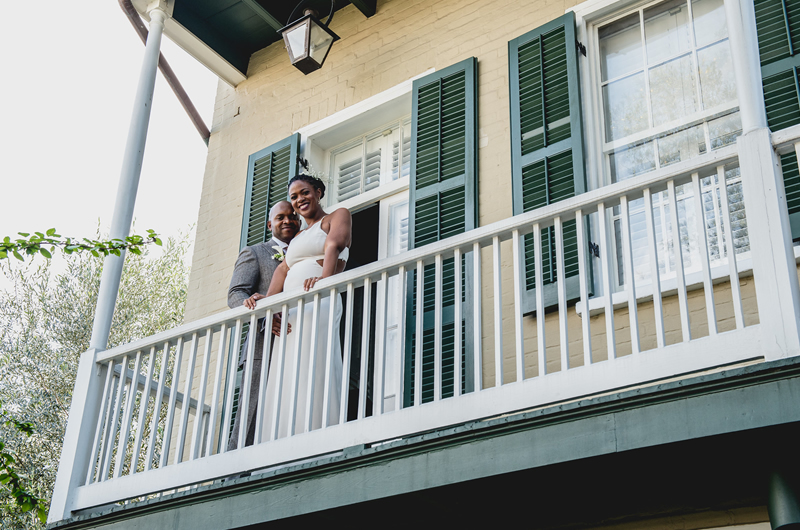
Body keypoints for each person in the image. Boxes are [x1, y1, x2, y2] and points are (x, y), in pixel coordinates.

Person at [255, 174, 352, 440]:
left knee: (314, 359)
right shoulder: (298, 236)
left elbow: (334, 244)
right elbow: (283, 269)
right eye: (294, 197)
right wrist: (269, 304)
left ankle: (319, 433)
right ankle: (283, 436)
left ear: (318, 192)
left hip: (318, 299)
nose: (300, 200)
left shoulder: (337, 216)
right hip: (292, 310)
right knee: (287, 367)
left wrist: (324, 280)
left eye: (305, 192)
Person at [226, 200, 300, 449]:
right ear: (270, 224)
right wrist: (264, 317)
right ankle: (234, 472)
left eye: (292, 216)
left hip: (301, 337)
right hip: (264, 343)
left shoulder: (307, 252)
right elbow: (236, 295)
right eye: (281, 217)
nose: (288, 220)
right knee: (251, 410)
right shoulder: (255, 252)